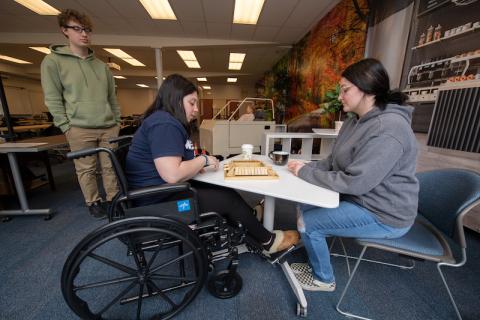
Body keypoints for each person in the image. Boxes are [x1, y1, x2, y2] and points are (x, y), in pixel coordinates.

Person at [125, 74, 299, 254]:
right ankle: (268, 242)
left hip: (159, 194)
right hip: (158, 204)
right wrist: (203, 159)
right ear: (175, 100)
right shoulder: (164, 123)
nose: (196, 109)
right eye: (192, 103)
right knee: (227, 199)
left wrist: (200, 166)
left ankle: (248, 219)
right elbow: (172, 174)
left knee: (221, 191)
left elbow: (176, 164)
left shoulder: (164, 121)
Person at [287, 58, 419, 292]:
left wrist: (305, 172)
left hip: (384, 212)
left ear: (367, 90)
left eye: (345, 90)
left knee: (309, 223)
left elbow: (354, 182)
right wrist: (309, 167)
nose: (340, 96)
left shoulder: (389, 129)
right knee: (304, 206)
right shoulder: (353, 121)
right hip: (363, 199)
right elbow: (333, 160)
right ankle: (315, 255)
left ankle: (323, 279)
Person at [41, 9, 121, 219]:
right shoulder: (53, 62)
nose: (83, 33)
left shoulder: (102, 66)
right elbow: (52, 98)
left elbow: (112, 98)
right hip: (78, 127)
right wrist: (65, 125)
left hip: (107, 125)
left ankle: (113, 200)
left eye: (86, 29)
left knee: (110, 166)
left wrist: (116, 122)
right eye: (77, 29)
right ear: (64, 31)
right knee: (86, 168)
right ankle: (93, 202)